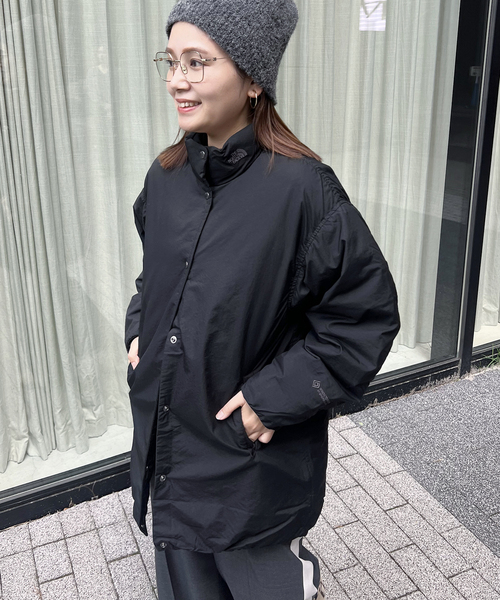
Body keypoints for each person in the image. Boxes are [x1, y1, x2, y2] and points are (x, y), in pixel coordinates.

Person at [125, 1, 400, 598]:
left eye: (197, 62)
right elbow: (154, 277)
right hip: (171, 456)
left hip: (248, 471)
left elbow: (362, 319)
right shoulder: (165, 177)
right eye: (171, 61)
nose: (176, 80)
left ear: (253, 79)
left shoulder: (304, 192)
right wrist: (139, 327)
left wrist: (270, 401)